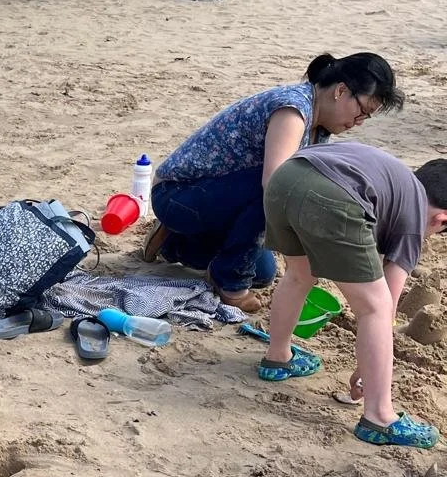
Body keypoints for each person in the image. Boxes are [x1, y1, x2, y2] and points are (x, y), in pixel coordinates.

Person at [144, 52, 402, 310]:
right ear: (341, 90)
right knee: (276, 189)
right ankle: (228, 282)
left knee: (263, 273)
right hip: (178, 193)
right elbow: (276, 188)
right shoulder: (292, 110)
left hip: (220, 198)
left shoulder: (319, 126)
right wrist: (297, 258)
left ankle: (173, 243)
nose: (358, 123)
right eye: (362, 111)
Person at [259, 147, 447, 449]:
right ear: (441, 219)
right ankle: (380, 417)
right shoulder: (415, 219)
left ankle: (278, 359)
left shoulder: (395, 181)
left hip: (286, 179)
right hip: (333, 196)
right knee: (376, 307)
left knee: (298, 275)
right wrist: (368, 369)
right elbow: (386, 305)